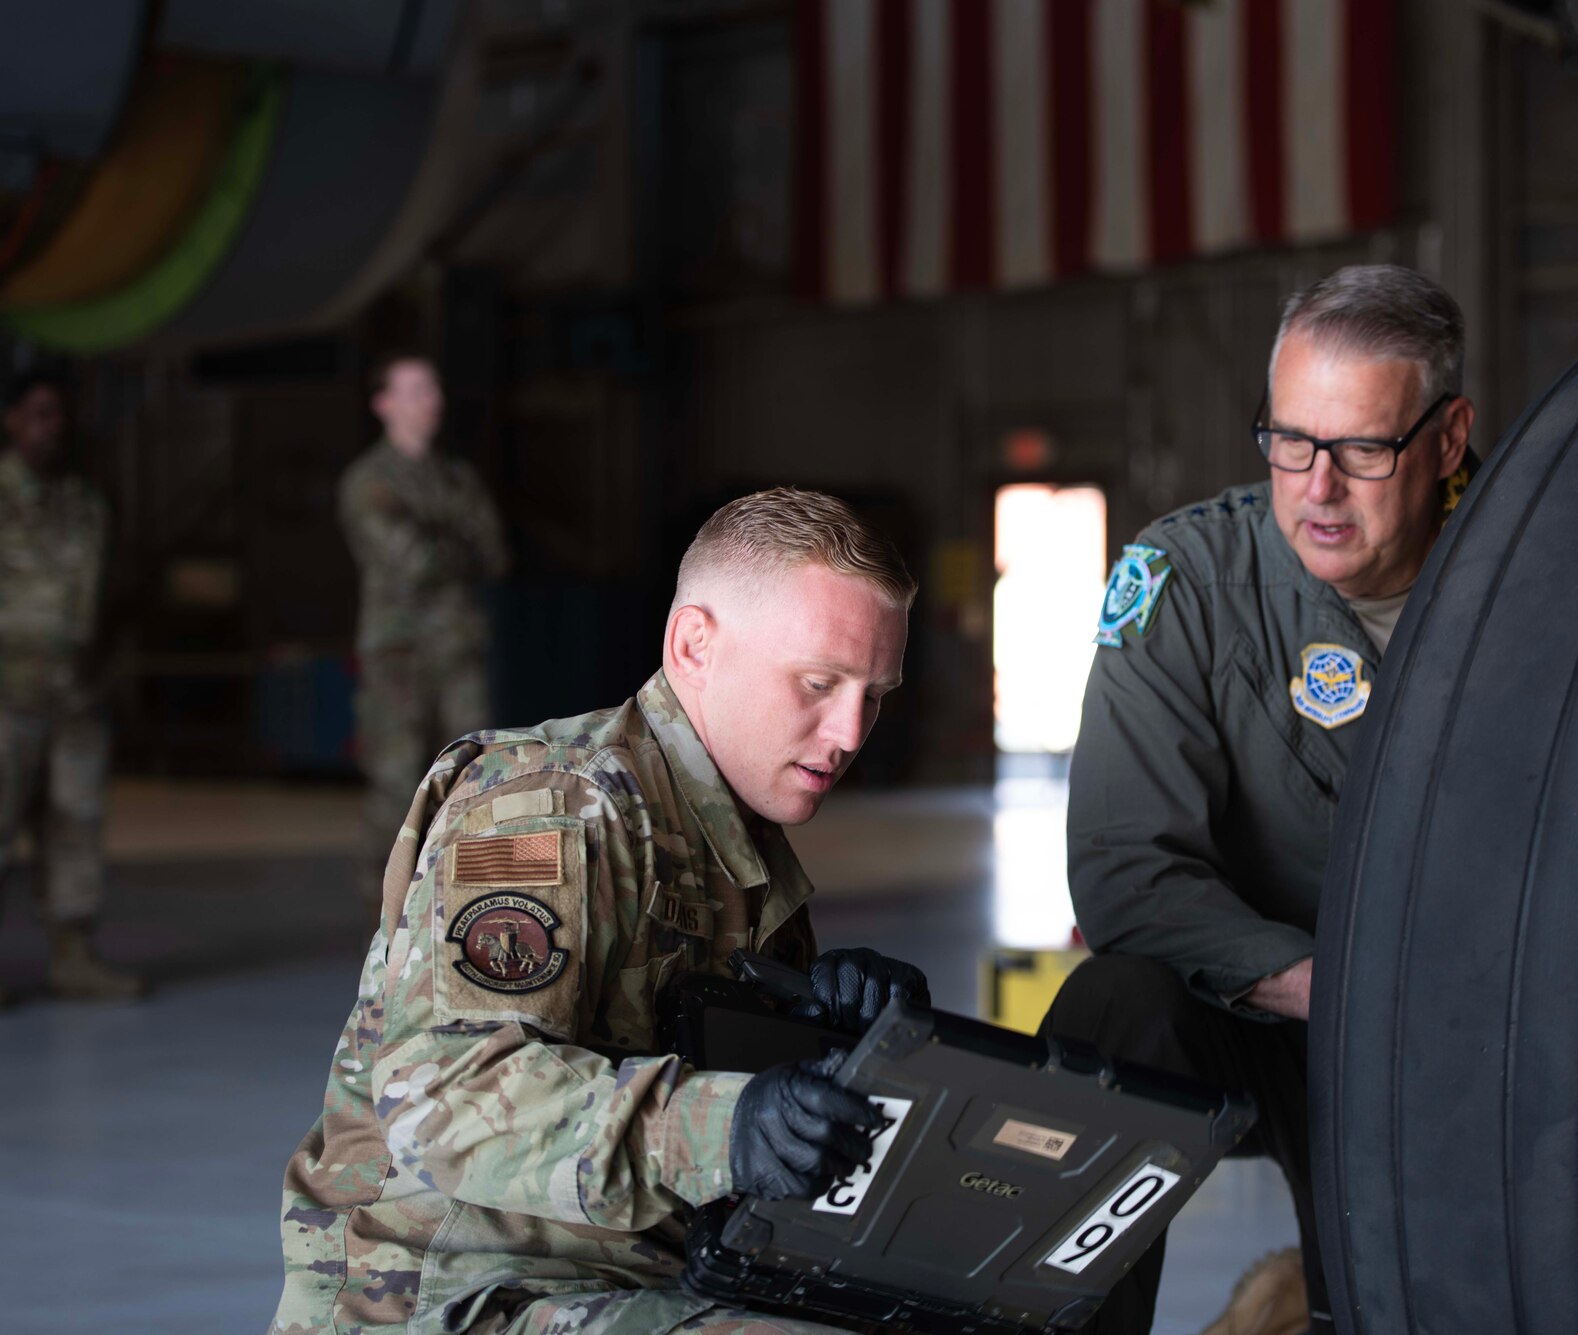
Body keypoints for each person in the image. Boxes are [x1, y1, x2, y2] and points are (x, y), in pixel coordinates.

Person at [272, 488, 931, 1335]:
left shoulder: (738, 849)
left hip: (630, 1272)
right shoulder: (546, 805)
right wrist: (727, 1127)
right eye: (818, 682)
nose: (848, 730)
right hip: (451, 1292)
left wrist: (842, 1044)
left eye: (874, 695)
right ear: (694, 645)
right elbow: (447, 1093)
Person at [1048, 266, 1476, 1335]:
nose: (1315, 488)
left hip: (1461, 1038)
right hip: (1262, 1009)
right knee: (1111, 1012)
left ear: (1446, 438)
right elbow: (1122, 875)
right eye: (1289, 439)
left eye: (1362, 450)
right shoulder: (1185, 579)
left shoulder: (1544, 576)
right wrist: (1325, 989)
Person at [338, 353, 510, 901]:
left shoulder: (455, 478)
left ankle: (458, 903)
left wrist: (442, 538)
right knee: (397, 783)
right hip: (399, 654)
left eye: (433, 389)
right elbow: (413, 559)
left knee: (471, 777)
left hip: (456, 647)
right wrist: (452, 540)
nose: (430, 400)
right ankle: (384, 914)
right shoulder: (368, 480)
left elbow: (496, 553)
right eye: (414, 390)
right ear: (383, 404)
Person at [0, 368, 143, 1003]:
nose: (50, 428)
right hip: (7, 690)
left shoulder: (85, 501)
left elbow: (108, 592)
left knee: (76, 825)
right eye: (37, 414)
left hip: (75, 692)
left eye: (58, 415)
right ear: (10, 420)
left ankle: (72, 953)